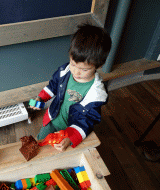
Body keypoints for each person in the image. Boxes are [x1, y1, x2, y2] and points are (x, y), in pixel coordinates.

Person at [30, 23, 112, 152]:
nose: (76, 72)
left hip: (72, 129)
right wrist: (41, 98)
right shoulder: (65, 71)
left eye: (84, 69)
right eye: (73, 64)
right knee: (40, 146)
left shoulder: (97, 94)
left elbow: (88, 120)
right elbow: (53, 86)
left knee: (64, 155)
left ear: (99, 66)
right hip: (53, 120)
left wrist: (71, 137)